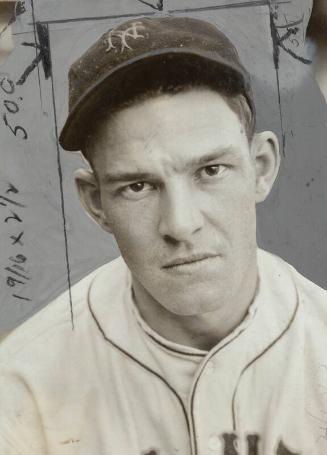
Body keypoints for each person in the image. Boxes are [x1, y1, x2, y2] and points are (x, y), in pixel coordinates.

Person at [0, 16, 327, 455]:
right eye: (138, 186)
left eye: (210, 171)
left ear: (261, 168)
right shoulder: (21, 384)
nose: (179, 224)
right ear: (96, 203)